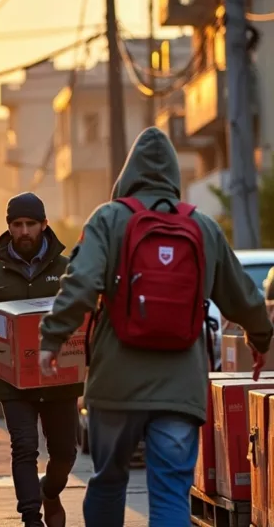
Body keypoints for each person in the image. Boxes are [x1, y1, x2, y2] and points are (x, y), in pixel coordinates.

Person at [37, 128, 273, 527]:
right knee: (169, 492)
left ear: (127, 176)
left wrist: (53, 338)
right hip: (180, 389)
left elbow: (80, 282)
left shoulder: (109, 219)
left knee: (109, 482)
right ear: (173, 177)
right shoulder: (202, 228)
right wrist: (261, 339)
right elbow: (244, 297)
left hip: (115, 387)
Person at [0, 192, 80, 527]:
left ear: (44, 225)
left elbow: (85, 324)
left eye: (30, 224)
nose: (24, 231)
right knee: (24, 448)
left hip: (59, 379)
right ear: (9, 227)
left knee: (64, 454)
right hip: (13, 382)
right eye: (17, 224)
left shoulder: (68, 272)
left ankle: (50, 492)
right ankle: (31, 517)